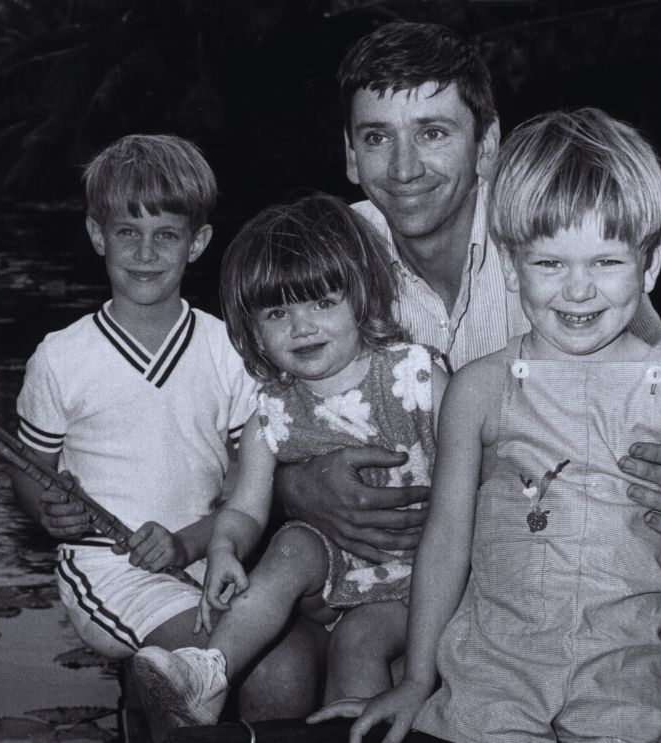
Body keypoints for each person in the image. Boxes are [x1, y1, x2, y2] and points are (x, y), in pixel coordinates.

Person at [331, 108, 661, 743]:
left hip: (628, 672)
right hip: (494, 674)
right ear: (512, 265)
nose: (577, 290)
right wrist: (417, 677)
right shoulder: (479, 388)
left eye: (605, 262)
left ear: (648, 266)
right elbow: (447, 538)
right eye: (549, 264)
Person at [278, 19, 661, 619]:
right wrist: (292, 488)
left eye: (432, 132)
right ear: (350, 153)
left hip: (529, 584)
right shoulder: (325, 260)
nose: (403, 168)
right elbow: (236, 420)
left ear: (486, 145)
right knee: (276, 672)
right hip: (371, 571)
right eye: (376, 137)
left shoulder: (550, 244)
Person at [10, 134, 323, 722]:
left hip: (212, 556)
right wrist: (46, 507)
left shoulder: (230, 350)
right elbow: (29, 472)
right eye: (128, 232)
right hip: (109, 571)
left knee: (296, 656)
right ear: (98, 235)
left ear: (197, 242)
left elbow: (247, 485)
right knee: (240, 655)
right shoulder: (60, 357)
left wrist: (193, 542)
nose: (145, 252)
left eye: (166, 235)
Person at [129, 193, 448, 734]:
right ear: (252, 329)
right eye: (277, 312)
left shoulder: (417, 378)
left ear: (360, 297)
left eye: (321, 302)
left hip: (427, 572)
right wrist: (227, 547)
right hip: (336, 571)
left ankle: (357, 731)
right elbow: (246, 509)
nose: (301, 327)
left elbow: (472, 481)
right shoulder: (271, 414)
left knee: (360, 641)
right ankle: (208, 672)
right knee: (290, 544)